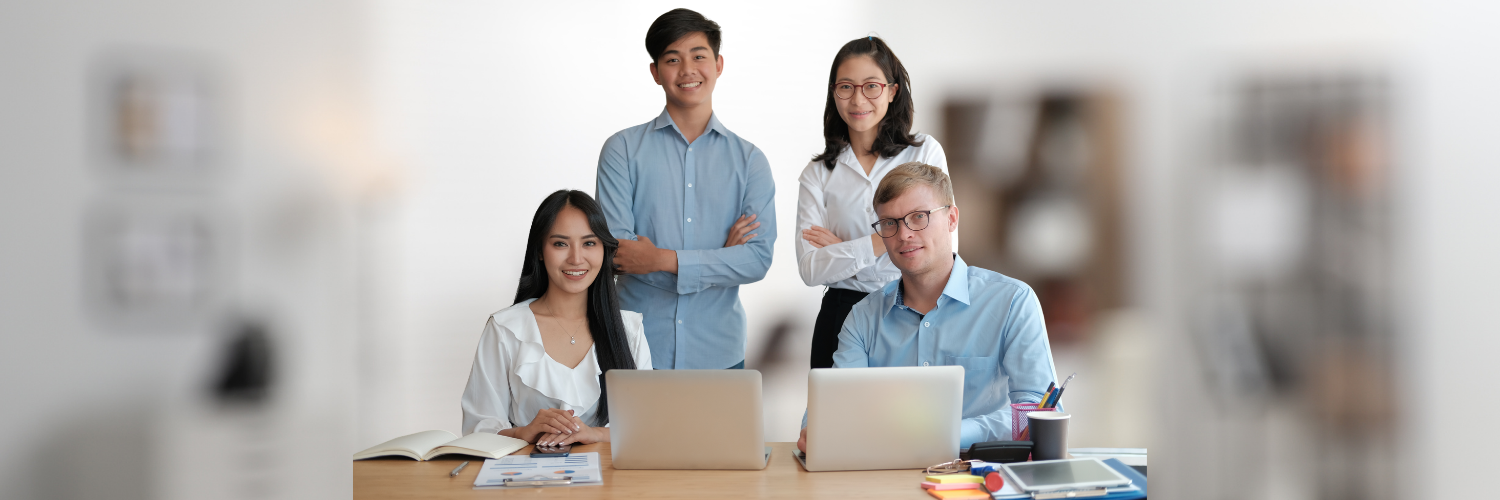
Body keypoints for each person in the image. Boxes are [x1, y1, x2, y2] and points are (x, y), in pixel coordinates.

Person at [797, 163, 1058, 453]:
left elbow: (1037, 411)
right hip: (885, 471)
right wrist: (816, 426)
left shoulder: (1012, 302)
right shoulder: (863, 316)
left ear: (952, 218)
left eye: (918, 217)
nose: (903, 234)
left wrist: (951, 433)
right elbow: (837, 400)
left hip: (981, 472)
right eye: (889, 223)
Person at [595, 8, 776, 370]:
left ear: (719, 64)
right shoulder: (622, 150)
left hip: (719, 352)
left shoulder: (750, 161)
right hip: (637, 348)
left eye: (699, 56)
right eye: (673, 59)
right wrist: (719, 260)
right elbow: (619, 254)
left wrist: (662, 260)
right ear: (655, 72)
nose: (688, 70)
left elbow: (756, 260)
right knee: (632, 431)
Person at [797, 35, 951, 369]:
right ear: (833, 92)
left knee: (910, 419)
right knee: (832, 420)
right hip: (840, 315)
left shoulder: (924, 152)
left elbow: (941, 245)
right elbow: (810, 269)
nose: (857, 99)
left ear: (892, 90)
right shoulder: (819, 172)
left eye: (871, 86)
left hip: (912, 310)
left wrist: (847, 249)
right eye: (846, 87)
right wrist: (892, 236)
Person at [460, 190, 653, 447]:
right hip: (524, 481)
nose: (576, 258)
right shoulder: (505, 328)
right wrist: (523, 432)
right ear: (540, 251)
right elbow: (476, 430)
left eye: (589, 243)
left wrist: (593, 433)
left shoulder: (629, 330)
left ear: (604, 250)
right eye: (560, 243)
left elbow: (647, 428)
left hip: (610, 482)